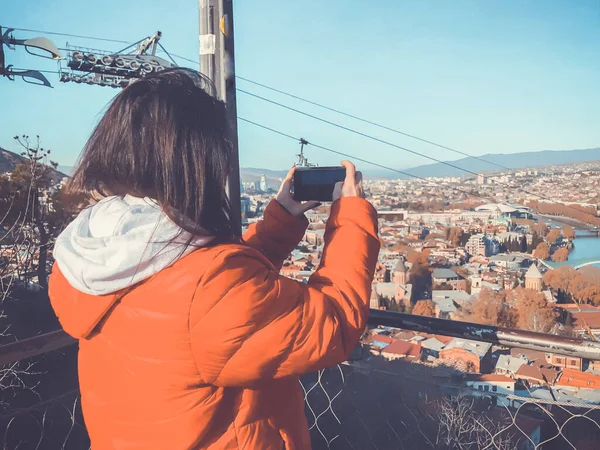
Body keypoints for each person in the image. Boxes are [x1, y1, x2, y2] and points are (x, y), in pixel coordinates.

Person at [49, 68, 380, 450]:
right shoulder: (207, 285)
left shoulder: (88, 251)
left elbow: (213, 296)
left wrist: (279, 222)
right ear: (197, 162)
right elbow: (333, 324)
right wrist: (352, 218)